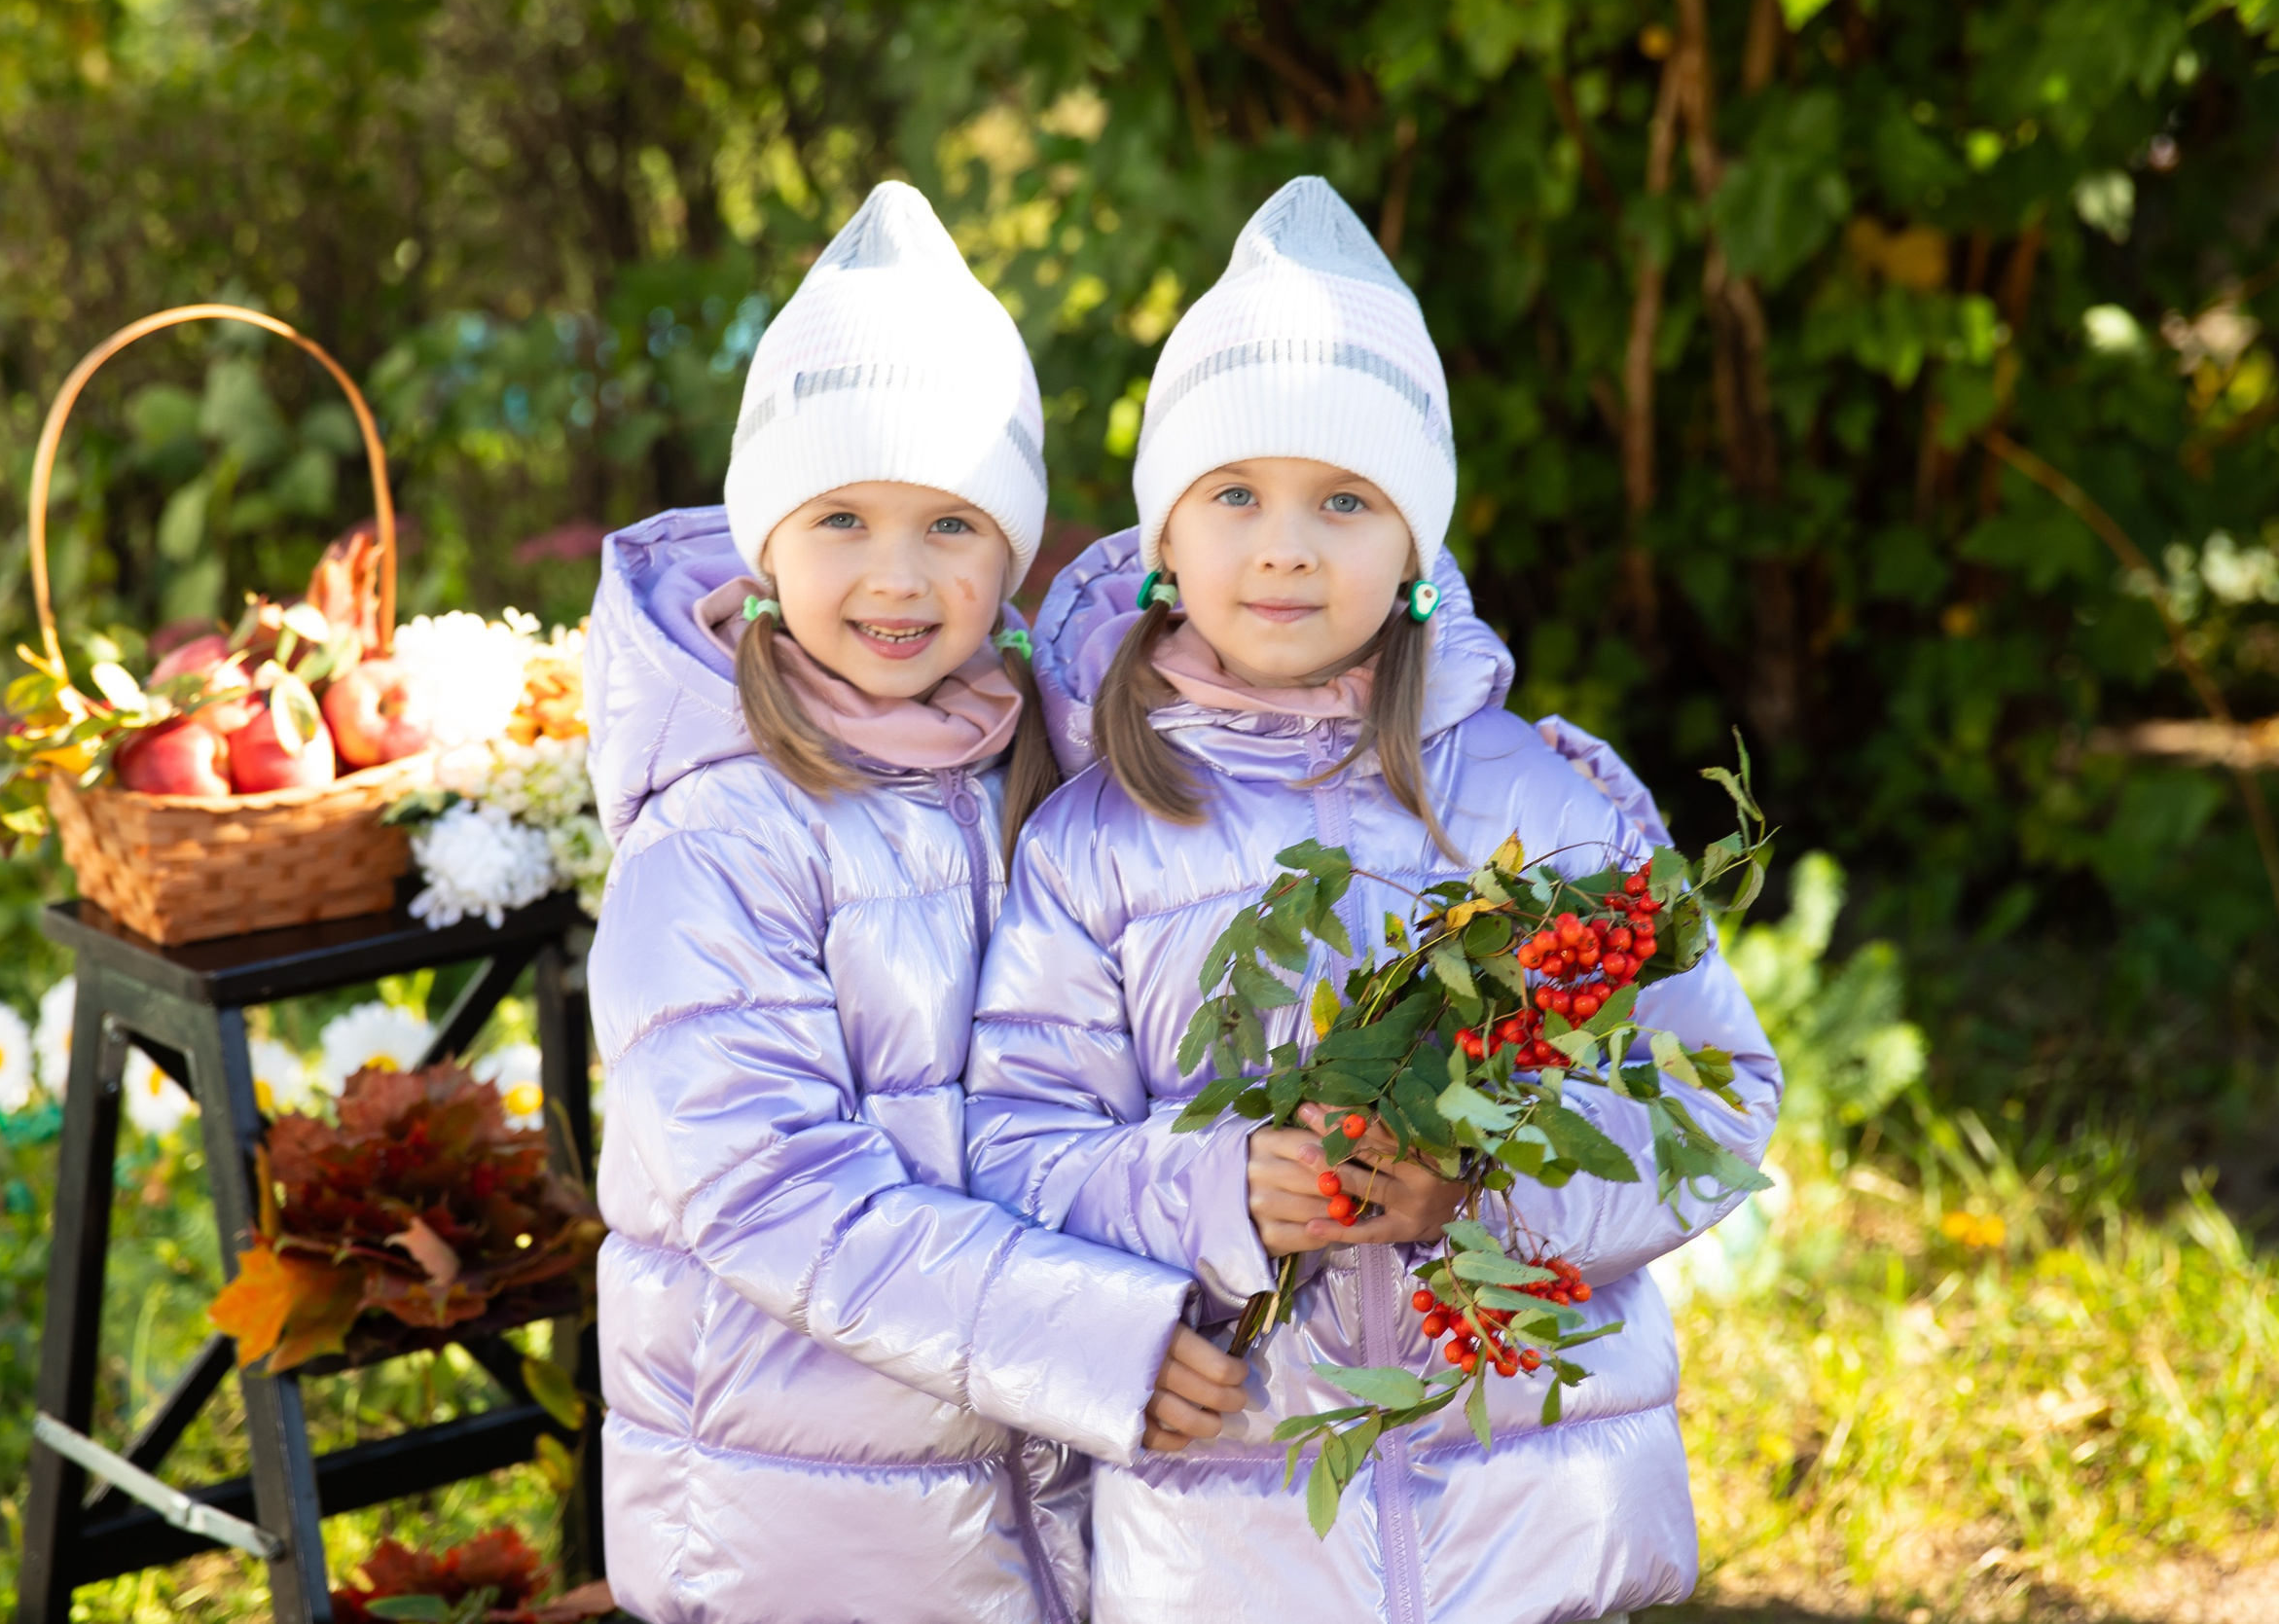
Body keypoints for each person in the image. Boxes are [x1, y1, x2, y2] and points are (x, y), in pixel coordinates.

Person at [964, 176, 1782, 1623]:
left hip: (1533, 1518)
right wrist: (1226, 1187)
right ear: (1165, 541)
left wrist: (1479, 1192)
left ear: (1417, 544)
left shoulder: (1540, 809)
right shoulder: (1098, 841)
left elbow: (1717, 1104)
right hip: (1236, 1532)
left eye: (1346, 498)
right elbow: (1022, 1148)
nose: (1286, 544)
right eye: (1234, 494)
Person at [581, 181, 1246, 1624]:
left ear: (1012, 555)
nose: (897, 575)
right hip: (797, 1525)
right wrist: (1091, 1339)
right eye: (841, 517)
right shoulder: (716, 835)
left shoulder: (1036, 776)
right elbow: (774, 1190)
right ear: (766, 539)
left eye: (953, 522)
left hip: (1019, 1507)